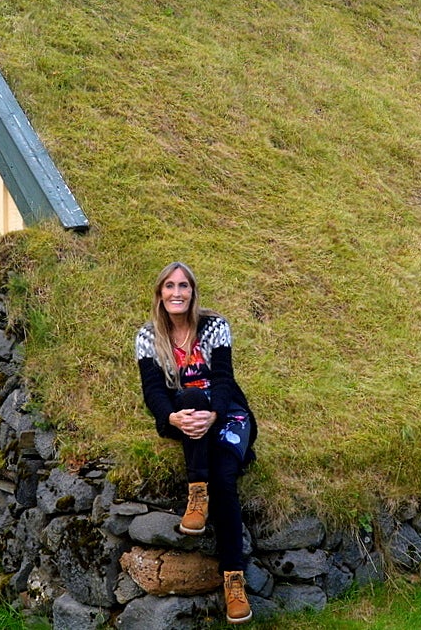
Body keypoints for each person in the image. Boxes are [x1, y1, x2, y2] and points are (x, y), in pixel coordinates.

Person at [135, 262, 257, 624]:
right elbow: (154, 391)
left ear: (192, 292)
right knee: (188, 399)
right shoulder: (147, 336)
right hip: (182, 416)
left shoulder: (215, 327)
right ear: (160, 294)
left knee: (225, 477)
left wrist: (215, 414)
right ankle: (196, 493)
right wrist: (170, 417)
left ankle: (233, 581)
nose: (176, 293)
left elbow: (222, 379)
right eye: (169, 286)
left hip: (226, 412)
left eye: (183, 286)